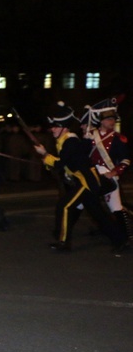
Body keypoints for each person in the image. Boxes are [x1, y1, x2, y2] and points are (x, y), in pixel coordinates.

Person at [32, 102, 127, 252]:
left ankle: (63, 242)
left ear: (64, 127)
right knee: (98, 215)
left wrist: (44, 155)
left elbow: (60, 163)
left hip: (87, 182)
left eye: (55, 127)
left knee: (64, 206)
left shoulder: (70, 141)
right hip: (87, 180)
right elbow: (64, 165)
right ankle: (121, 240)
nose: (52, 130)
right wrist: (47, 160)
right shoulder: (65, 141)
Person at [85, 98, 132, 241]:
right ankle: (103, 227)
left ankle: (126, 236)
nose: (112, 122)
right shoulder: (91, 136)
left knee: (115, 206)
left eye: (113, 119)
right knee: (88, 204)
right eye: (109, 119)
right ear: (101, 120)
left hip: (109, 174)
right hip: (92, 174)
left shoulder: (119, 139)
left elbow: (126, 159)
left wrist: (115, 172)